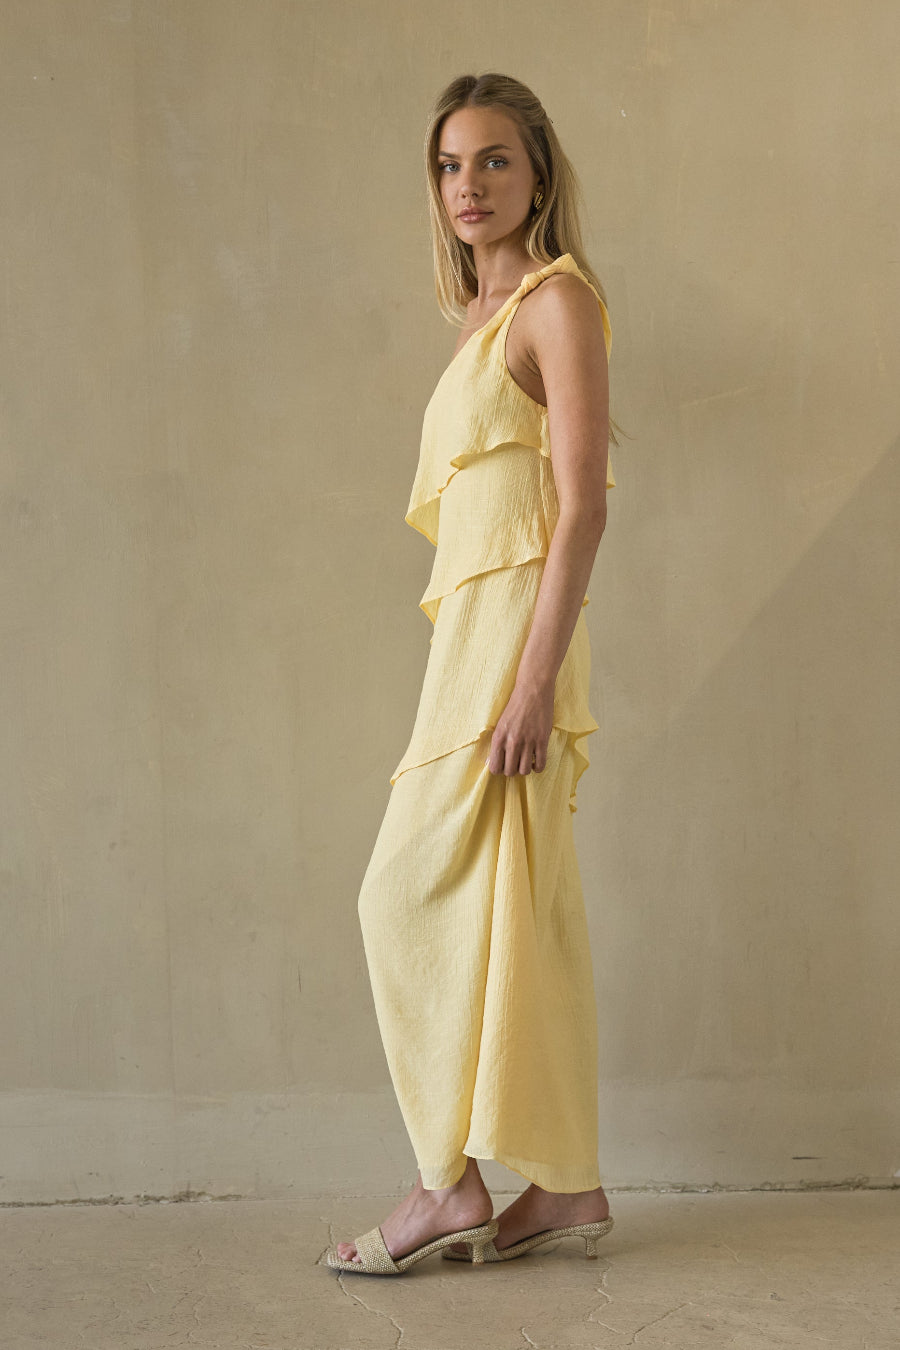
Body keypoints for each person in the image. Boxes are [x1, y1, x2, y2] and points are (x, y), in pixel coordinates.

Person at [325, 71, 625, 1276]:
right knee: (514, 914)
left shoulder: (558, 304)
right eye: (451, 165)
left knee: (396, 895)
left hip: (515, 653)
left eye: (495, 161)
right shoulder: (478, 322)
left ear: (538, 174)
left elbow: (584, 509)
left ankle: (445, 1185)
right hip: (469, 655)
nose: (469, 185)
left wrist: (535, 681)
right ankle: (563, 1184)